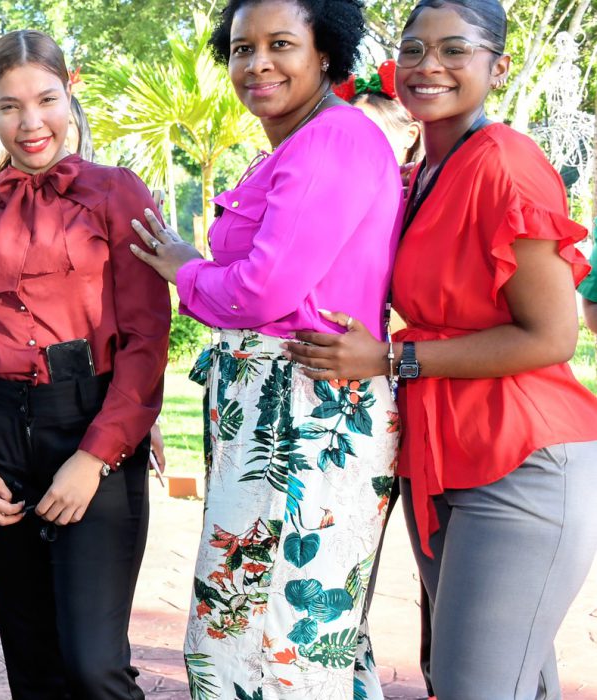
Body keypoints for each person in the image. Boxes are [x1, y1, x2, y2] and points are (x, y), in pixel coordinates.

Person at [286, 1, 597, 696]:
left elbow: (553, 335)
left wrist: (392, 360)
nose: (429, 66)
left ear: (498, 67)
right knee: (505, 682)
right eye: (414, 50)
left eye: (455, 50)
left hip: (520, 459)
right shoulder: (420, 169)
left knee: (473, 686)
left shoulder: (505, 163)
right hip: (444, 452)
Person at [131, 1, 400, 697]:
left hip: (304, 410)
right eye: (241, 48)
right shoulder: (300, 141)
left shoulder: (332, 141)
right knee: (280, 632)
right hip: (277, 411)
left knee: (267, 637)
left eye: (281, 44)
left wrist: (186, 270)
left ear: (325, 53)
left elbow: (263, 290)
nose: (257, 64)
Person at [0, 29, 170, 698]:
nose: (30, 122)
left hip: (91, 426)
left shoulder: (118, 193)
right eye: (9, 106)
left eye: (46, 100)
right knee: (32, 665)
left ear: (71, 92)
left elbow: (147, 337)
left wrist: (96, 455)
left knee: (93, 665)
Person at [340, 60, 435, 700]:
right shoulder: (349, 185)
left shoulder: (429, 190)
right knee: (350, 569)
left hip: (422, 387)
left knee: (443, 573)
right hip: (359, 393)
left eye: (382, 128)